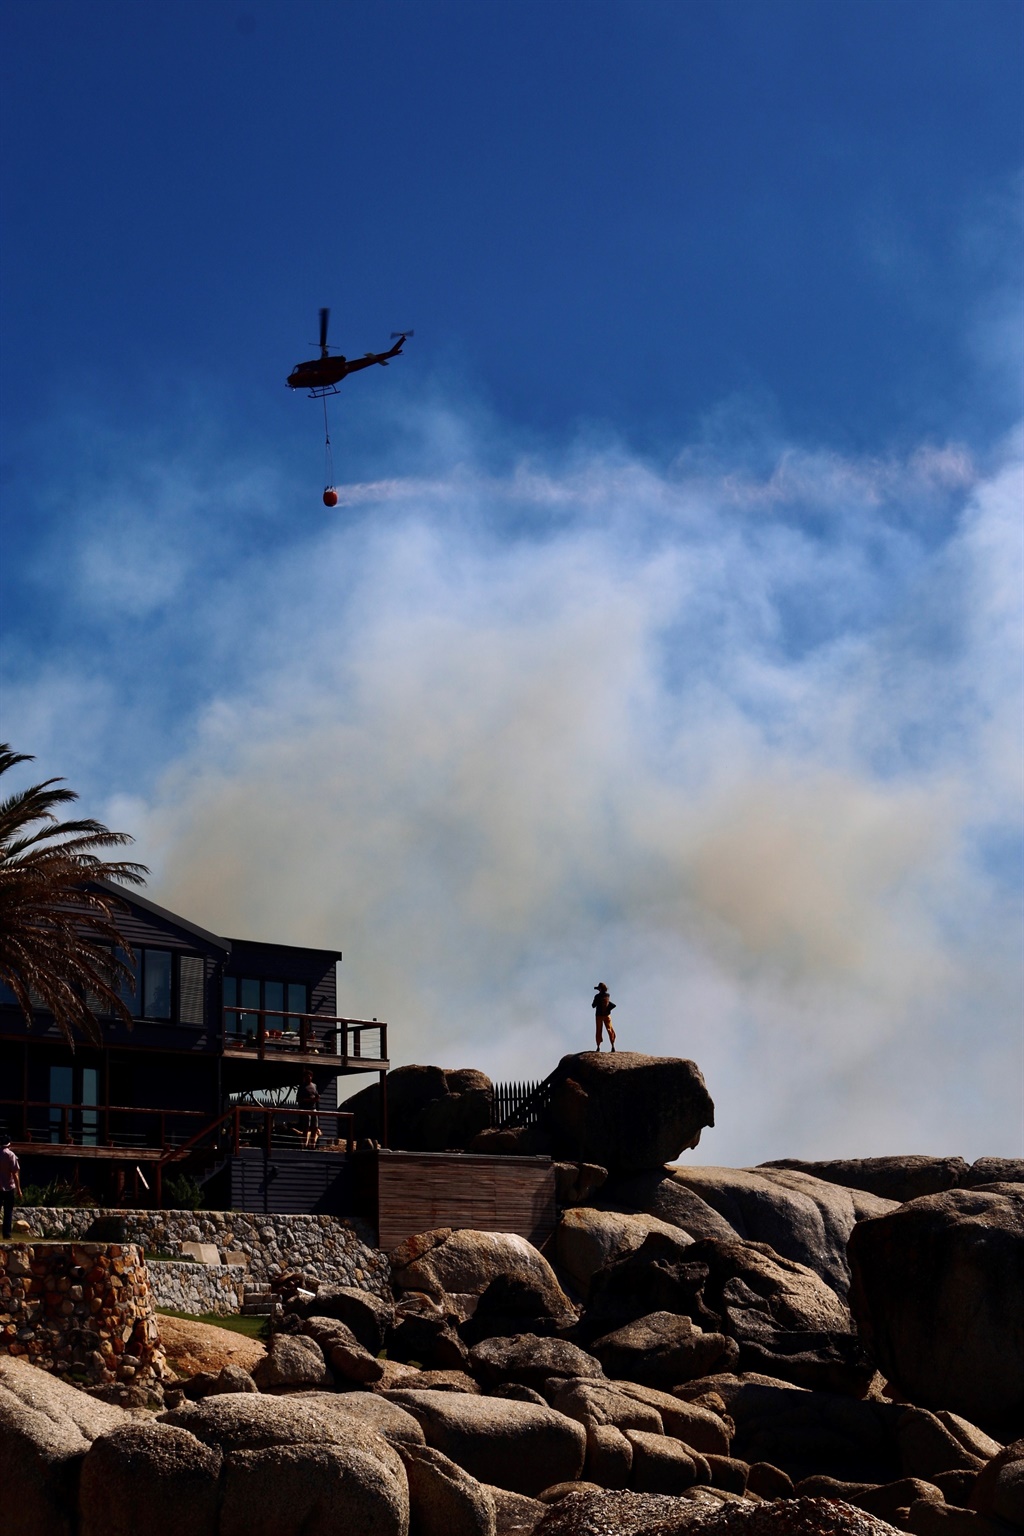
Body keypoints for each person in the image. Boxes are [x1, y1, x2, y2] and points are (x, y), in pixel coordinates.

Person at [1, 1131, 22, 1239]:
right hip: (8, 1187)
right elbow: (15, 1173)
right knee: (8, 1212)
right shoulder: (11, 1155)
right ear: (9, 1143)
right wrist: (19, 1189)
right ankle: (7, 1234)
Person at [297, 1070, 321, 1148]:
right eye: (307, 1076)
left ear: (311, 1077)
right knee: (307, 1124)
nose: (308, 1077)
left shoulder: (314, 1086)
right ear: (304, 1078)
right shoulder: (302, 1087)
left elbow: (316, 1095)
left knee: (315, 1125)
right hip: (305, 1108)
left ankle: (312, 1142)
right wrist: (309, 1100)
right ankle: (304, 1142)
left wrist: (317, 1098)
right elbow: (298, 1099)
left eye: (310, 1076)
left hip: (313, 1108)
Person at [592, 983, 616, 1051]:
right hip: (607, 1015)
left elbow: (593, 1005)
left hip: (599, 1015)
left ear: (600, 989)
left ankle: (598, 1047)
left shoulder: (597, 996)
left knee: (599, 1030)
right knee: (610, 1029)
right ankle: (613, 1046)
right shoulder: (607, 995)